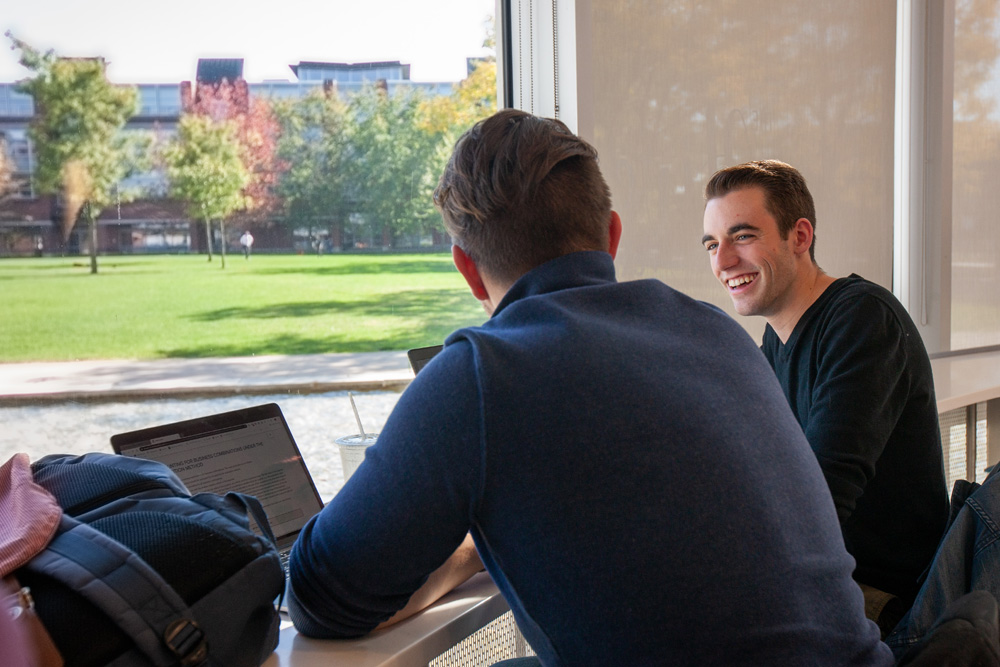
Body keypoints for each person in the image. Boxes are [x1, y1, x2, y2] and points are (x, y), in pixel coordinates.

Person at [288, 111, 892, 665]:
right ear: (611, 234)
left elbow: (321, 597)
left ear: (467, 268)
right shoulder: (716, 332)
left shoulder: (479, 375)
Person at [701, 160, 950, 635]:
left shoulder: (862, 319)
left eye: (743, 236)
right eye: (713, 244)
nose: (722, 261)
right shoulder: (774, 344)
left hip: (889, 608)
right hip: (831, 580)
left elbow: (817, 500)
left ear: (800, 236)